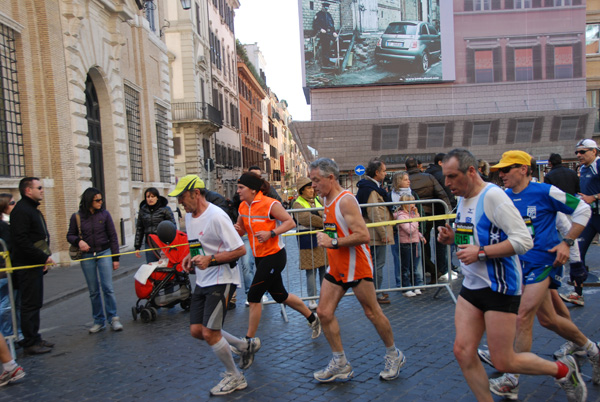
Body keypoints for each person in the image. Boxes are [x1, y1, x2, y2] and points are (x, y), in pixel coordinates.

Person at [437, 148, 586, 402]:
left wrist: (481, 252)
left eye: (452, 176)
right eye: (445, 177)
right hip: (471, 286)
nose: (447, 183)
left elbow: (523, 241)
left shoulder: (494, 197)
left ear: (471, 172)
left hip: (501, 287)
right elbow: (469, 241)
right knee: (462, 351)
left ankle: (562, 369)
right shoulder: (462, 198)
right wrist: (452, 239)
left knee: (504, 360)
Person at [477, 150, 597, 400]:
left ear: (523, 169)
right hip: (518, 266)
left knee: (522, 316)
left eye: (506, 169)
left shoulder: (545, 191)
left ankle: (512, 378)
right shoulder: (505, 197)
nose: (501, 174)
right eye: (499, 170)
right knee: (549, 320)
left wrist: (567, 243)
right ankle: (593, 350)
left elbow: (583, 210)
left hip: (544, 261)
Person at [309, 157, 405, 383]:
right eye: (311, 180)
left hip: (357, 267)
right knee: (323, 313)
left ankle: (394, 354)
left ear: (330, 178)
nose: (312, 185)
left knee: (372, 313)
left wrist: (332, 243)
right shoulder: (325, 199)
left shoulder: (346, 200)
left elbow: (362, 235)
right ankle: (340, 363)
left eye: (316, 180)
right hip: (337, 267)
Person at [168, 175, 248, 396]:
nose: (180, 202)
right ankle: (243, 347)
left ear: (196, 193)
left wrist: (211, 260)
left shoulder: (217, 216)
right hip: (203, 279)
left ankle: (235, 376)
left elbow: (240, 250)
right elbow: (197, 246)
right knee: (197, 331)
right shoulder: (190, 217)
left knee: (210, 333)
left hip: (222, 278)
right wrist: (189, 258)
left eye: (182, 196)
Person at [233, 171, 322, 370]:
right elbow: (241, 227)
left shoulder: (270, 204)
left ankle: (249, 342)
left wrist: (271, 232)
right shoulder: (242, 206)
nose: (237, 191)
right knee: (280, 295)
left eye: (241, 188)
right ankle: (313, 319)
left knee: (254, 295)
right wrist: (235, 229)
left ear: (253, 189)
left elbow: (290, 222)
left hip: (274, 256)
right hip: (260, 257)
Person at [67, 188, 123, 333]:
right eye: (97, 200)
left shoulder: (105, 214)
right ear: (89, 201)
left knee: (108, 288)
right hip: (87, 256)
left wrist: (115, 258)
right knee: (93, 290)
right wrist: (79, 241)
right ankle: (98, 321)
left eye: (101, 199)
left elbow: (113, 236)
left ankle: (114, 318)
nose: (100, 202)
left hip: (104, 252)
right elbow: (70, 235)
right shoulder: (77, 217)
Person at [10, 177, 55, 355]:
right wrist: (42, 257)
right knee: (29, 304)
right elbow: (21, 240)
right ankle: (30, 342)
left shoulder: (31, 209)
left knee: (35, 303)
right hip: (26, 265)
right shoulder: (21, 210)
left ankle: (35, 337)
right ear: (28, 190)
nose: (42, 190)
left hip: (34, 264)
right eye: (39, 187)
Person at [543, 153, 586, 306]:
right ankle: (577, 285)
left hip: (557, 210)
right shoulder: (572, 173)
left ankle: (577, 287)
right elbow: (577, 191)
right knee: (575, 245)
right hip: (571, 210)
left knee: (571, 243)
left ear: (550, 163)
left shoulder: (548, 180)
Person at [406, 157, 451, 283]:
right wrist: (448, 210)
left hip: (413, 215)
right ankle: (428, 269)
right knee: (423, 242)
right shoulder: (429, 177)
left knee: (418, 244)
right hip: (429, 214)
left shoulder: (405, 180)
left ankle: (432, 269)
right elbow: (441, 193)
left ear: (406, 168)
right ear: (418, 166)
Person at [356, 159, 394, 305]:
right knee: (378, 264)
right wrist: (383, 233)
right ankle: (375, 293)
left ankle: (374, 291)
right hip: (375, 234)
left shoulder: (369, 187)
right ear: (377, 172)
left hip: (373, 232)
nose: (385, 173)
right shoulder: (371, 189)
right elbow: (374, 213)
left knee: (375, 263)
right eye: (384, 171)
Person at [292, 176, 327, 311]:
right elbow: (306, 218)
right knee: (311, 271)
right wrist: (324, 221)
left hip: (322, 238)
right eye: (308, 188)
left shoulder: (318, 200)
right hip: (308, 240)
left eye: (312, 187)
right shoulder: (297, 203)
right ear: (301, 191)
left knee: (324, 269)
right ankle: (312, 298)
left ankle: (325, 296)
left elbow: (326, 212)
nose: (312, 190)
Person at [394, 194, 425, 297]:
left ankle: (416, 285)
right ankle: (406, 287)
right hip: (405, 243)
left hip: (415, 242)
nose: (413, 204)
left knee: (415, 266)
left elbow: (416, 229)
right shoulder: (400, 215)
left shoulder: (412, 214)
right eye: (411, 202)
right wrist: (416, 218)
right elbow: (409, 229)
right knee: (405, 267)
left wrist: (420, 235)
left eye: (414, 201)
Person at [134, 187, 176, 263]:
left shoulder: (165, 209)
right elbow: (139, 229)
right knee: (152, 267)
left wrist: (172, 243)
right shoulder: (143, 211)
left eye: (153, 196)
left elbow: (172, 226)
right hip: (149, 243)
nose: (150, 199)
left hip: (163, 243)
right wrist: (137, 246)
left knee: (165, 265)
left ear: (157, 198)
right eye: (148, 197)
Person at [389, 171, 413, 288]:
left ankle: (412, 281)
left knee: (413, 258)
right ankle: (401, 282)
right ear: (398, 181)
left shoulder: (413, 194)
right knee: (398, 257)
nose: (408, 181)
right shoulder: (390, 196)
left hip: (412, 231)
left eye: (408, 179)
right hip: (397, 231)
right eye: (405, 179)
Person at [0, 194, 19, 339]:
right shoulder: (4, 226)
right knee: (6, 307)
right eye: (12, 203)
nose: (15, 205)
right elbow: (10, 248)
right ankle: (8, 338)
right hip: (4, 273)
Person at [312, 1, 337, 68]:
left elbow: (332, 24)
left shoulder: (329, 15)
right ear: (322, 7)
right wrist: (320, 29)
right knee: (325, 47)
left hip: (330, 33)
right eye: (325, 8)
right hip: (323, 34)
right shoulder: (318, 15)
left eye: (327, 8)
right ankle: (326, 63)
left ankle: (332, 57)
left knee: (339, 40)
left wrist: (334, 32)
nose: (326, 10)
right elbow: (315, 24)